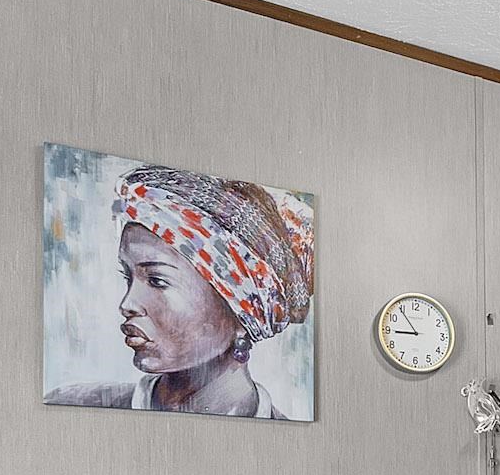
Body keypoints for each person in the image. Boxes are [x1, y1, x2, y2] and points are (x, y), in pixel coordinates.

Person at [48, 164, 314, 418]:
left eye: (157, 280)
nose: (127, 303)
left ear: (242, 315)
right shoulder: (70, 403)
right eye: (127, 277)